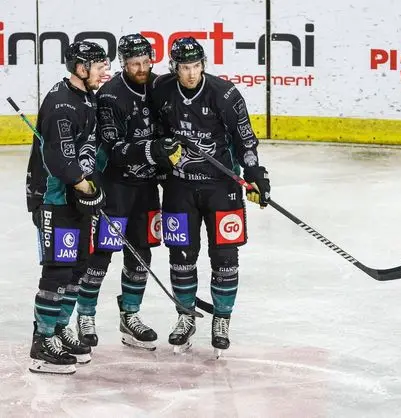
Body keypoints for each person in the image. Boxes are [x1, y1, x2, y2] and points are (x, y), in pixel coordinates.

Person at [149, 37, 270, 355]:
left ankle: (222, 319)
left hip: (222, 187)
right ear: (175, 68)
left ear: (204, 65)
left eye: (196, 66)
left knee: (225, 258)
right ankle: (185, 317)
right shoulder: (161, 90)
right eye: (185, 68)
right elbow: (155, 131)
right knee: (181, 256)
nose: (191, 74)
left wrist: (255, 174)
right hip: (180, 187)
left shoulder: (224, 94)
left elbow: (245, 139)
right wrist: (162, 158)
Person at [74, 34, 180, 351]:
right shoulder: (110, 96)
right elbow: (116, 150)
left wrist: (167, 162)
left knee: (142, 251)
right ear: (123, 63)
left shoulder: (160, 87)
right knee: (102, 252)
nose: (142, 68)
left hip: (147, 188)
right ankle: (86, 315)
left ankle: (130, 316)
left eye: (146, 61)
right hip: (116, 186)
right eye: (135, 63)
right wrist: (155, 149)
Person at [26, 41, 109, 374]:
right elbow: (60, 160)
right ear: (80, 68)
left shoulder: (85, 98)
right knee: (58, 270)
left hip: (74, 198)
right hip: (54, 199)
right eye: (99, 65)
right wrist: (87, 187)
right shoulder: (62, 104)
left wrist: (89, 187)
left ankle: (59, 328)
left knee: (77, 267)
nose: (105, 71)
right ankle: (42, 341)